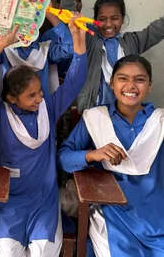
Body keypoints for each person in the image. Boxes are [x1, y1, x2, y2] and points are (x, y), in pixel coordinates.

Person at [0, 12, 87, 256]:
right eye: (32, 96)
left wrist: (79, 42)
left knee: (44, 250)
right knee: (8, 251)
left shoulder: (49, 109)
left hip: (43, 198)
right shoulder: (1, 113)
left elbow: (75, 81)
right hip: (9, 200)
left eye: (39, 92)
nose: (40, 98)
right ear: (12, 98)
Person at [58, 54, 164, 257]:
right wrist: (92, 155)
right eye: (123, 78)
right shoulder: (96, 117)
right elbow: (64, 158)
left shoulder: (160, 121)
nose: (131, 86)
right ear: (111, 83)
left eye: (139, 79)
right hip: (113, 214)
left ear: (150, 85)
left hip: (157, 215)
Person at [60, 0, 164, 112]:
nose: (108, 24)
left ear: (123, 18)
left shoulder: (132, 41)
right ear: (95, 19)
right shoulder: (88, 37)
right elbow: (68, 12)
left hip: (126, 108)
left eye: (114, 18)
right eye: (102, 19)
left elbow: (159, 28)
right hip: (94, 107)